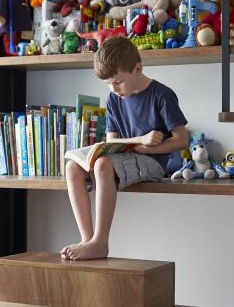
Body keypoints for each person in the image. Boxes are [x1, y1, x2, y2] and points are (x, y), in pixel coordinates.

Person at [61, 36, 188, 260]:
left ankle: (101, 241)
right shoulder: (114, 99)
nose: (113, 88)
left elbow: (181, 140)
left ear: (138, 68)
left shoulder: (162, 95)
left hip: (154, 163)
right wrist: (140, 140)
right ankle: (88, 240)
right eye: (108, 84)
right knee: (72, 167)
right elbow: (111, 141)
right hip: (125, 158)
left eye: (118, 81)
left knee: (102, 164)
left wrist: (147, 148)